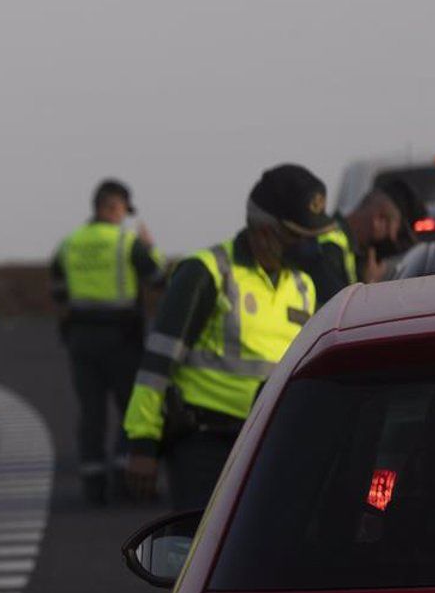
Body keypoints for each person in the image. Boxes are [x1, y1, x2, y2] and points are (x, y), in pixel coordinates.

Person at [123, 164, 330, 511]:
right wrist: (142, 443)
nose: (309, 247)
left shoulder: (302, 286)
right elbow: (157, 364)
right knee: (200, 551)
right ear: (264, 231)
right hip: (206, 447)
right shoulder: (207, 272)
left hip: (271, 442)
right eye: (298, 237)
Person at [50, 179, 166, 505]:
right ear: (113, 207)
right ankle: (124, 480)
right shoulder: (126, 242)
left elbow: (58, 290)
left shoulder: (69, 243)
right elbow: (157, 279)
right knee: (130, 408)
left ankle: (93, 483)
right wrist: (151, 246)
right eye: (122, 210)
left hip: (81, 338)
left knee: (91, 411)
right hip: (121, 337)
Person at [296, 178, 422, 303]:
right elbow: (336, 312)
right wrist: (368, 286)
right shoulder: (330, 248)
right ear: (379, 219)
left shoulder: (352, 252)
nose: (396, 243)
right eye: (398, 234)